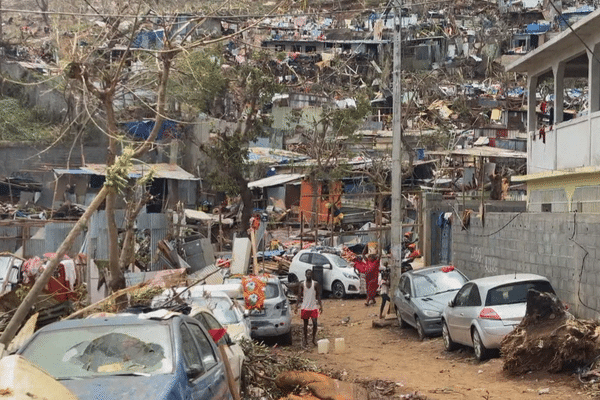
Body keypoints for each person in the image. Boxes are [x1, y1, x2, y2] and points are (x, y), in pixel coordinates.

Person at [297, 269, 322, 348]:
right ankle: (305, 340)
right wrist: (296, 305)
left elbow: (318, 295)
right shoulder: (302, 284)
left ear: (312, 275)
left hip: (313, 306)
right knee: (305, 325)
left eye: (310, 274)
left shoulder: (315, 284)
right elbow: (299, 296)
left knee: (315, 323)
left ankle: (313, 339)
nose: (309, 276)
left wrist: (321, 305)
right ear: (305, 275)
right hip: (305, 307)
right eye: (307, 274)